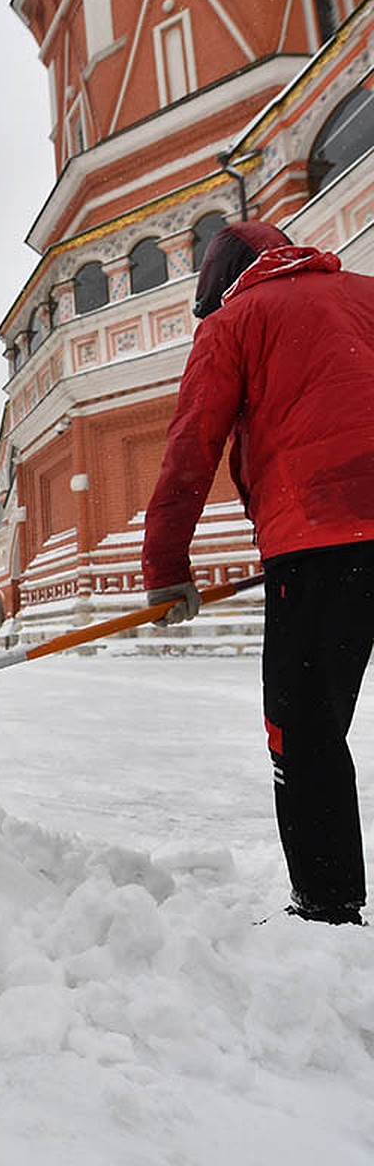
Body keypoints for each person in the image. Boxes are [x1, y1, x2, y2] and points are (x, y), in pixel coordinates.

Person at [142, 220, 374, 927]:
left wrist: (166, 569)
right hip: (331, 536)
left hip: (319, 541)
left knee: (304, 731)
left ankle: (328, 908)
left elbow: (191, 445)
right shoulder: (366, 294)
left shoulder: (234, 323)